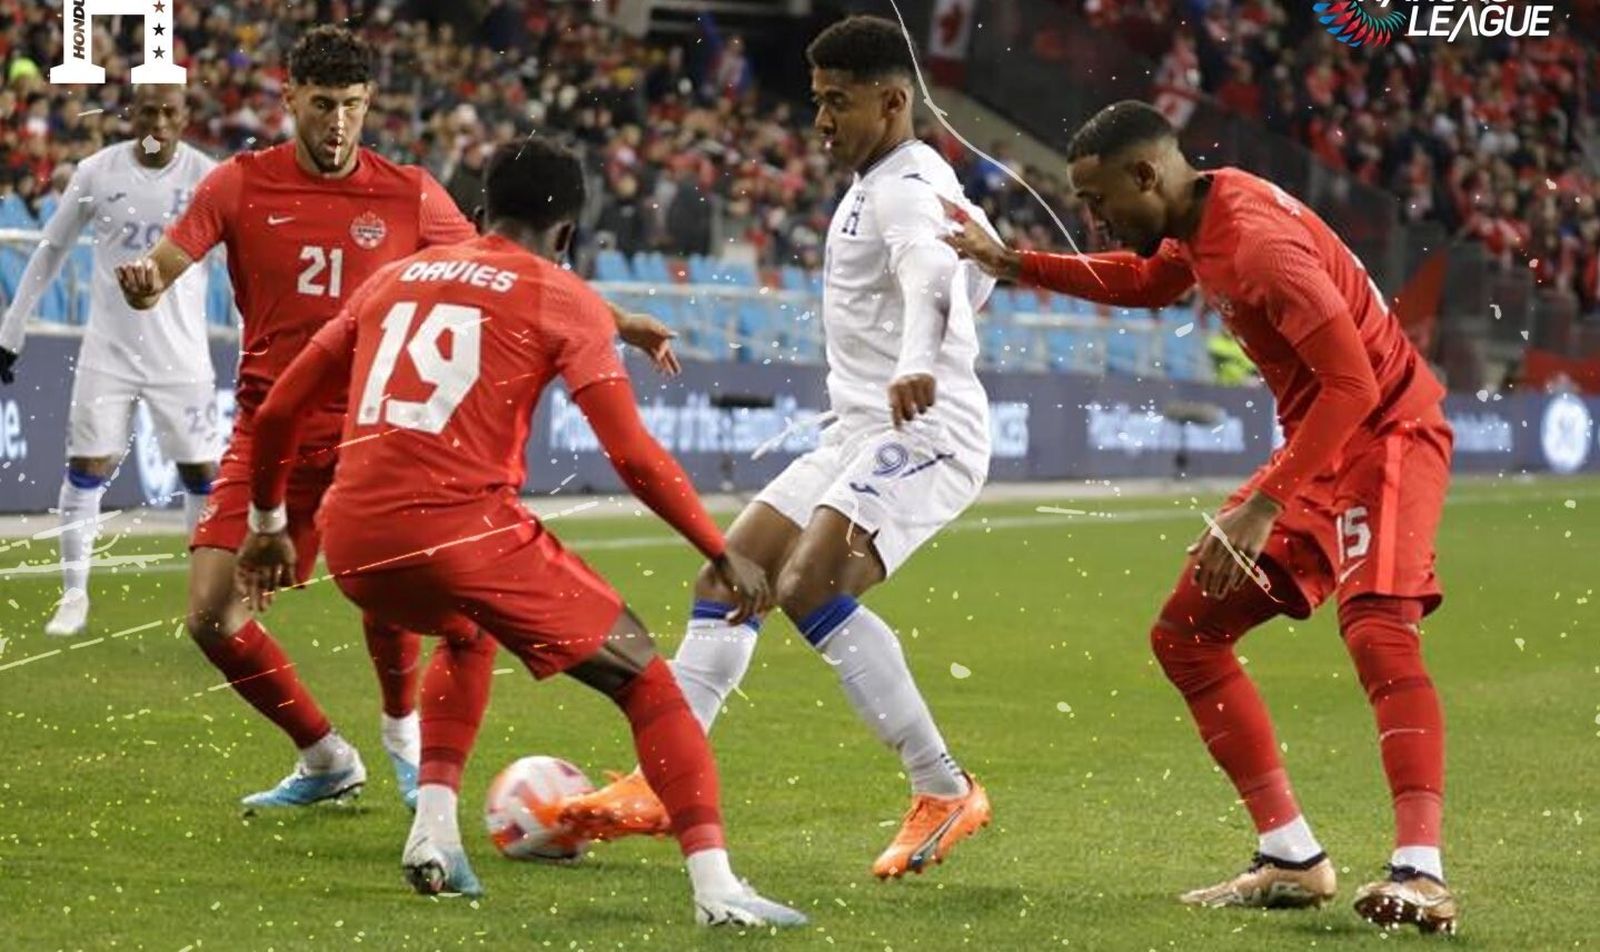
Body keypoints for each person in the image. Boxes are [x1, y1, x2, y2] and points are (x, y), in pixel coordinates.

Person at [235, 137, 807, 928]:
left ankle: (432, 834)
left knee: (465, 634)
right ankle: (717, 891)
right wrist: (720, 551)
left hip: (355, 537)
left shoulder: (391, 279)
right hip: (462, 530)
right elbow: (633, 455)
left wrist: (267, 525)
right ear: (569, 233)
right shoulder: (560, 294)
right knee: (647, 681)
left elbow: (277, 412)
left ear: (476, 213)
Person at [943, 100, 1457, 935]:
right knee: (1187, 631)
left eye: (1100, 199)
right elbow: (1151, 280)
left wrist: (1265, 501)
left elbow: (1357, 385)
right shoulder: (1203, 211)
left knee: (1377, 631)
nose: (1094, 216)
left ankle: (1422, 872)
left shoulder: (1260, 244)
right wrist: (1015, 263)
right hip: (1323, 446)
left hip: (1389, 435)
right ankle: (1291, 854)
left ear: (1147, 173)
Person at [568, 15, 996, 880]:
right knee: (732, 575)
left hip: (927, 432)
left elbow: (933, 275)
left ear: (893, 99)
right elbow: (973, 268)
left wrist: (920, 360)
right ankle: (660, 783)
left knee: (807, 584)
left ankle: (944, 787)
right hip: (860, 430)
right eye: (817, 102)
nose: (822, 121)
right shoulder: (896, 178)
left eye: (838, 103)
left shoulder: (906, 188)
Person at [0, 85, 219, 638]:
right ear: (132, 115)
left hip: (184, 355)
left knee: (202, 474)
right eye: (150, 112)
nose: (161, 123)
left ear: (187, 117)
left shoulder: (209, 177)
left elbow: (240, 263)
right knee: (87, 467)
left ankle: (205, 598)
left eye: (172, 112)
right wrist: (12, 329)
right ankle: (74, 594)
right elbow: (50, 249)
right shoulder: (98, 172)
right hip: (109, 351)